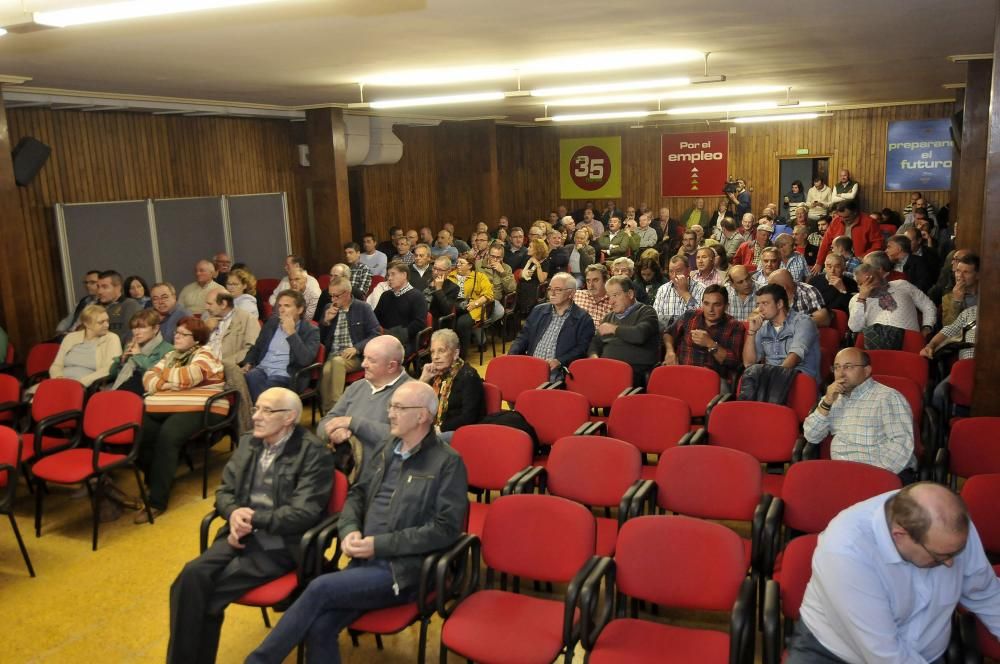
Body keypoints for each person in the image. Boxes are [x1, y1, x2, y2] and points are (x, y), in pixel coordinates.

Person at [247, 380, 467, 664]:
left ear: (422, 415)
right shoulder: (389, 447)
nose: (390, 413)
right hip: (362, 563)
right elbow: (358, 494)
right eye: (391, 406)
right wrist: (349, 529)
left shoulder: (447, 462)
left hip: (403, 571)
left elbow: (445, 529)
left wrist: (378, 545)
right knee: (321, 625)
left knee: (319, 588)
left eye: (398, 408)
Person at [167, 388, 334, 664]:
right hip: (239, 535)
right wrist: (233, 514)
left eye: (266, 411)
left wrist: (253, 520)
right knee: (189, 577)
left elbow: (303, 514)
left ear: (289, 417)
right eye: (256, 408)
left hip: (283, 545)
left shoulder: (313, 453)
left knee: (207, 596)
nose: (255, 416)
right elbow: (224, 493)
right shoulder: (249, 443)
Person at [787, 482, 1000, 664]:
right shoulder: (846, 550)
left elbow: (986, 594)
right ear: (900, 535)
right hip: (834, 653)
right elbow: (886, 654)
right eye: (940, 556)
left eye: (955, 553)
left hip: (924, 654)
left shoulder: (950, 527)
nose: (951, 563)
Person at [138, 317, 227, 521]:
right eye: (176, 333)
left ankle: (157, 501)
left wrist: (164, 377)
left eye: (183, 334)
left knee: (169, 435)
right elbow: (147, 378)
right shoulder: (170, 355)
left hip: (204, 407)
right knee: (143, 431)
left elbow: (190, 376)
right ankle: (155, 480)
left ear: (196, 339)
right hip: (168, 404)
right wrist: (172, 384)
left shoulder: (205, 353)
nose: (176, 337)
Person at [803, 347, 916, 478]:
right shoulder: (833, 398)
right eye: (837, 367)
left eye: (848, 367)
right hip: (840, 473)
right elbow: (811, 436)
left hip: (878, 474)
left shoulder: (888, 397)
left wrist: (868, 476)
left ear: (867, 371)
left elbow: (901, 446)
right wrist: (827, 402)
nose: (841, 374)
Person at [317, 335, 413, 473]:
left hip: (382, 475)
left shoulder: (411, 393)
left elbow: (402, 438)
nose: (363, 364)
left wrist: (353, 423)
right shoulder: (357, 387)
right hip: (343, 468)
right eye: (364, 357)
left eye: (371, 360)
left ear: (391, 366)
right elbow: (325, 422)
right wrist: (332, 432)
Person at [510, 272, 595, 381]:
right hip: (532, 365)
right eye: (550, 289)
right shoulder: (538, 310)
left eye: (558, 290)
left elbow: (582, 349)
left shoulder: (583, 319)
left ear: (571, 293)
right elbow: (523, 337)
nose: (552, 293)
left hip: (559, 371)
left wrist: (560, 361)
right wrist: (512, 355)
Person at [241, 290, 321, 402]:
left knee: (270, 388)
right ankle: (260, 413)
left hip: (287, 375)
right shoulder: (272, 323)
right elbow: (257, 347)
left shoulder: (311, 330)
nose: (281, 310)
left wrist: (292, 333)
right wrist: (248, 363)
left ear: (300, 309)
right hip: (262, 369)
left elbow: (305, 360)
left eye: (287, 306)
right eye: (280, 306)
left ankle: (258, 413)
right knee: (248, 377)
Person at [663, 284, 746, 389]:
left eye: (717, 305)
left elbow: (734, 362)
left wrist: (710, 344)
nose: (710, 309)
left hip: (714, 379)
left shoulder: (735, 326)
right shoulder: (690, 316)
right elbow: (668, 333)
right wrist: (670, 351)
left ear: (726, 306)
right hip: (682, 372)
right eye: (706, 304)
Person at [318, 277, 380, 412]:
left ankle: (337, 409)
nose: (332, 300)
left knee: (337, 363)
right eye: (331, 296)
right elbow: (320, 339)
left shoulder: (362, 308)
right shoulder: (328, 308)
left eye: (336, 296)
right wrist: (326, 321)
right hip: (333, 354)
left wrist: (357, 348)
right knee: (327, 370)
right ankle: (328, 411)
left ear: (347, 293)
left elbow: (375, 334)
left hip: (355, 356)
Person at [589, 276, 660, 387]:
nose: (611, 302)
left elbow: (639, 335)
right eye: (609, 297)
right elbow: (595, 343)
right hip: (605, 369)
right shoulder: (608, 317)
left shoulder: (646, 312)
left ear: (630, 294)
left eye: (615, 296)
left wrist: (614, 329)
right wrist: (594, 356)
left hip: (633, 372)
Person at [743, 283, 821, 380]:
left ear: (779, 304)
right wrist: (752, 332)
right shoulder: (763, 329)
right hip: (774, 381)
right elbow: (749, 364)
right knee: (748, 378)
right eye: (758, 304)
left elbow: (795, 357)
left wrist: (773, 378)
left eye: (765, 303)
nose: (760, 309)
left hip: (799, 379)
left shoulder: (803, 322)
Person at [419, 329, 484, 441]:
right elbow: (412, 404)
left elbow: (468, 417)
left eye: (441, 351)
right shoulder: (434, 374)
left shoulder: (468, 376)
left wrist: (440, 429)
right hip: (433, 428)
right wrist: (423, 380)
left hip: (458, 433)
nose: (435, 357)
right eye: (432, 352)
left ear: (455, 354)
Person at [848, 263, 936, 337]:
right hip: (879, 344)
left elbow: (927, 305)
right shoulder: (856, 300)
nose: (871, 284)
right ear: (859, 286)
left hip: (909, 340)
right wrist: (862, 299)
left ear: (880, 275)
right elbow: (855, 328)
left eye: (872, 278)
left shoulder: (902, 284)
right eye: (866, 282)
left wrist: (927, 327)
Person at [49, 303, 122, 389]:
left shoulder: (111, 339)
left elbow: (109, 369)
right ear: (87, 324)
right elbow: (57, 365)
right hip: (60, 383)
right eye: (101, 322)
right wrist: (58, 379)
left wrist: (80, 383)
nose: (106, 325)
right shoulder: (70, 338)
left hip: (87, 386)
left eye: (107, 321)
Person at [108, 309, 173, 395]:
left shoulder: (168, 349)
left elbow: (158, 376)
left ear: (156, 329)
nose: (136, 332)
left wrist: (139, 356)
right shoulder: (132, 345)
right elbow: (112, 374)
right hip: (124, 389)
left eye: (142, 327)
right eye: (134, 328)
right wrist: (122, 360)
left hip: (148, 393)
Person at [814, 199, 884, 273]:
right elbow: (825, 242)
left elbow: (878, 245)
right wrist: (819, 263)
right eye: (840, 216)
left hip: (861, 264)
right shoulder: (836, 220)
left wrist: (863, 257)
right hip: (838, 262)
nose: (843, 219)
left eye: (846, 217)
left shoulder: (870, 222)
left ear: (855, 213)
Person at [373, 262, 429, 354]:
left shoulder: (417, 296)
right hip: (385, 338)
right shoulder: (386, 295)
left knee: (382, 355)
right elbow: (375, 317)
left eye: (393, 274)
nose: (389, 278)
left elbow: (419, 324)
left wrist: (392, 335)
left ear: (404, 275)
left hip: (407, 340)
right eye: (388, 275)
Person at [449, 253, 494, 356]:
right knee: (447, 321)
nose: (458, 265)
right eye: (457, 262)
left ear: (469, 265)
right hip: (454, 305)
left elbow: (488, 294)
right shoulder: (451, 275)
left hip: (472, 306)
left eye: (461, 263)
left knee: (462, 323)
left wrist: (475, 303)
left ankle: (462, 356)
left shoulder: (480, 277)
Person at [203, 290, 259, 366]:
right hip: (202, 362)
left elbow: (251, 349)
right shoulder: (207, 318)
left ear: (223, 304)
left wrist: (227, 363)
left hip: (226, 367)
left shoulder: (247, 319)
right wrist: (206, 329)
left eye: (210, 304)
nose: (206, 307)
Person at [652, 255, 705, 332]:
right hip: (666, 335)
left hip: (690, 336)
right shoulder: (662, 290)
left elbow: (700, 318)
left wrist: (685, 293)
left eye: (678, 271)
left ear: (688, 270)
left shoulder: (701, 289)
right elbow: (656, 319)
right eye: (671, 271)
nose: (674, 275)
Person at [96, 270, 143, 343]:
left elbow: (132, 336)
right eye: (98, 287)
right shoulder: (94, 307)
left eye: (104, 287)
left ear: (118, 287)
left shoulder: (130, 305)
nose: (99, 291)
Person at [56, 269, 101, 336]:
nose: (87, 285)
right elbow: (68, 320)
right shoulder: (84, 301)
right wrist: (59, 331)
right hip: (68, 335)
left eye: (92, 282)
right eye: (86, 282)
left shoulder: (103, 304)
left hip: (82, 337)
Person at [940, 252, 978, 326]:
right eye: (958, 271)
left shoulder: (987, 296)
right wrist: (956, 302)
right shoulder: (947, 298)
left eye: (966, 272)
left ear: (977, 275)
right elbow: (948, 327)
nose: (960, 276)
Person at [573, 264, 613, 328]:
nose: (591, 285)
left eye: (595, 280)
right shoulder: (576, 295)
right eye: (588, 281)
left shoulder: (613, 300)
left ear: (605, 281)